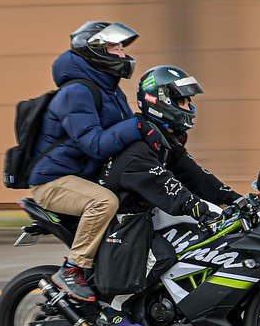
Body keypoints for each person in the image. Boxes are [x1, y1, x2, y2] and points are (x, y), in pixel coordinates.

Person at [28, 20, 150, 303]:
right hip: (54, 182)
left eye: (121, 46)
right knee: (104, 202)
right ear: (95, 50)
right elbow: (94, 145)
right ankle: (73, 269)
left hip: (83, 177)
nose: (122, 53)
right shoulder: (77, 92)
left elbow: (128, 135)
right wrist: (138, 126)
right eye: (115, 46)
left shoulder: (110, 91)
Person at [99, 64, 245, 231]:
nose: (189, 107)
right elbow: (165, 186)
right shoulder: (137, 149)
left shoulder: (164, 142)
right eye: (182, 101)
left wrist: (236, 199)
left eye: (189, 101)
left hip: (144, 221)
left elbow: (197, 177)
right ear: (161, 101)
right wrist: (202, 211)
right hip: (122, 232)